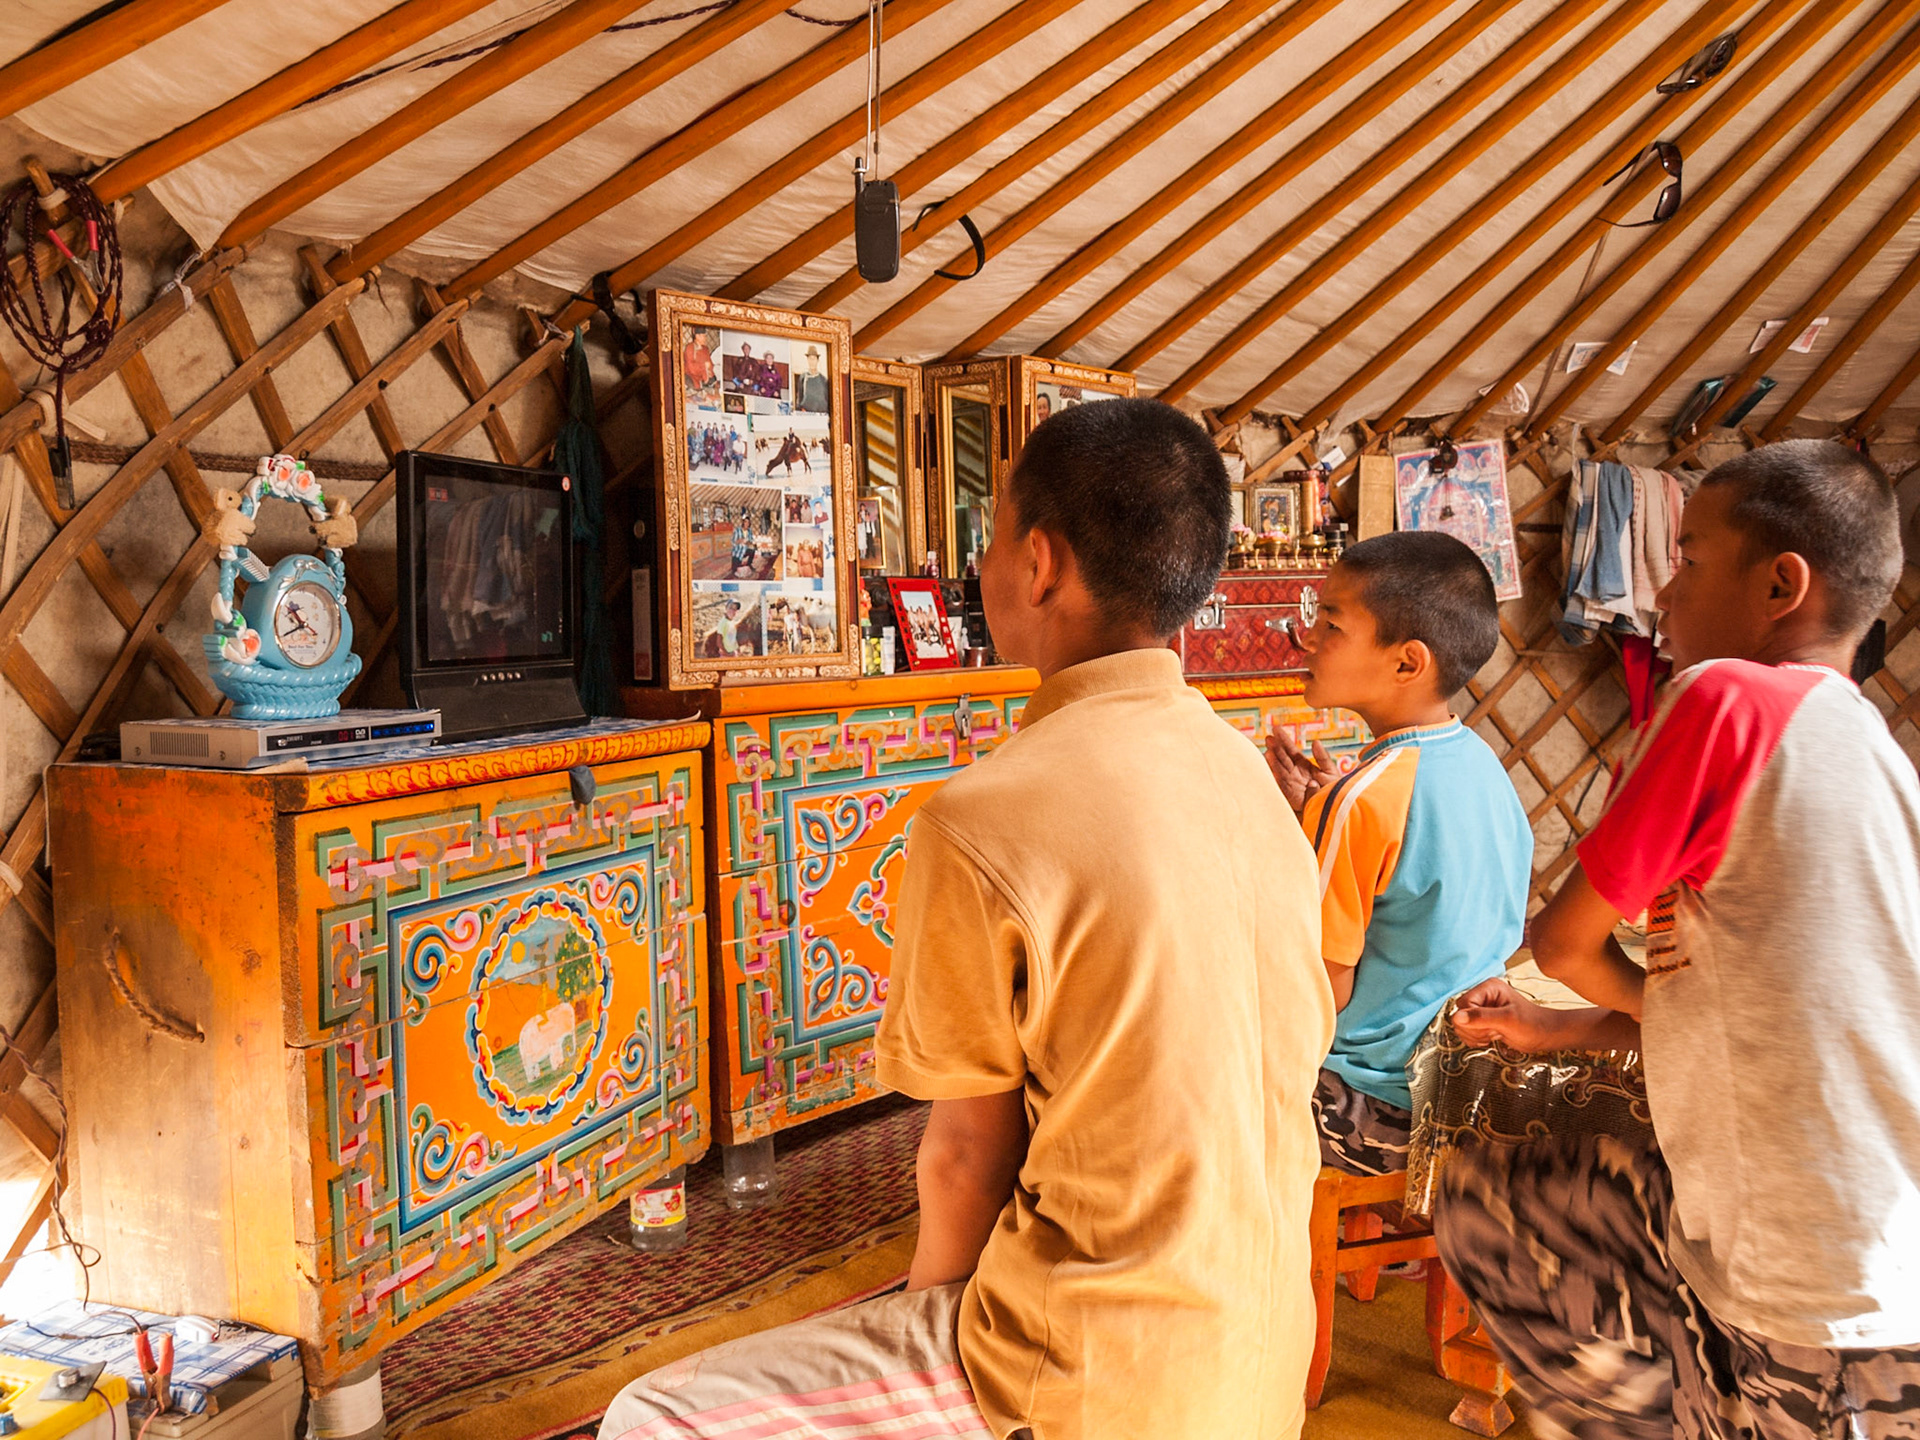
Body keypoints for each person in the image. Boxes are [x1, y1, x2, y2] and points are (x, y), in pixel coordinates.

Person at [598, 398, 1331, 1440]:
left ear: (1040, 564)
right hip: (1263, 1362)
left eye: (990, 542)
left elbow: (962, 1159)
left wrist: (930, 1342)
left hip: (1090, 1377)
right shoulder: (1253, 778)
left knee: (655, 1415)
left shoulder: (983, 817)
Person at [1431, 439, 1920, 1440]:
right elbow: (1770, 1014)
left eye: (1689, 560)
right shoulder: (1873, 752)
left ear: (1781, 586)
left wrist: (1570, 997)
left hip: (1810, 1261)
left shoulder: (1727, 699)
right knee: (1514, 1205)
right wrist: (1556, 1032)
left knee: (1490, 1210)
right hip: (1867, 1236)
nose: (1660, 589)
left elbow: (1564, 945)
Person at [1265, 531, 1530, 1175]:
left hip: (1368, 1109)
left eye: (1331, 624)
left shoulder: (1359, 801)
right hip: (1471, 1093)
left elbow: (1320, 989)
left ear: (1408, 663)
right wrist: (1325, 811)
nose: (1306, 638)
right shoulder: (1483, 767)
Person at [796, 345, 830, 412]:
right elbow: (799, 399)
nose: (812, 361)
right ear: (807, 360)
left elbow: (827, 400)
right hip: (807, 414)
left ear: (817, 360)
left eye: (813, 359)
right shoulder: (803, 377)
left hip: (821, 414)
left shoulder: (823, 380)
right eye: (810, 359)